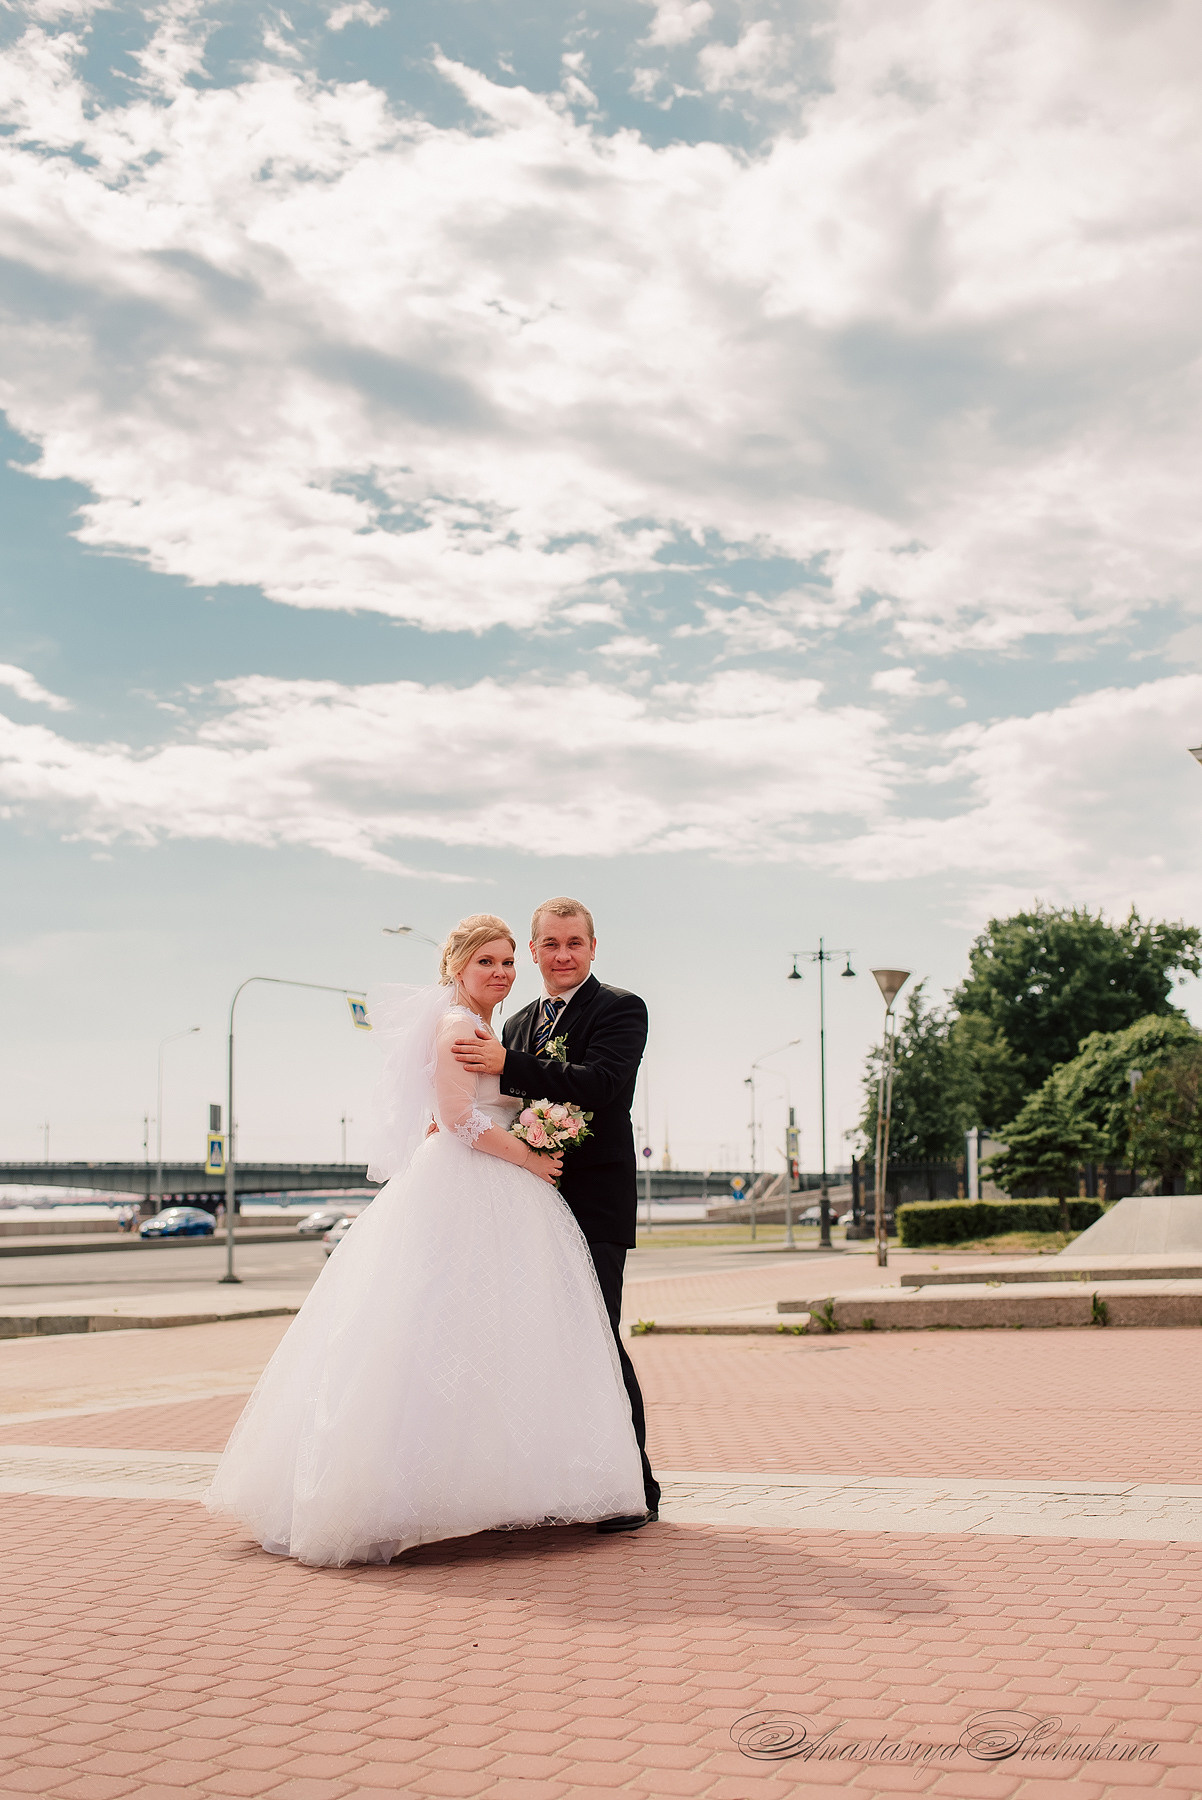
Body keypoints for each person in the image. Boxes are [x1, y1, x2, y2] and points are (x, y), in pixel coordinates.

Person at [204, 913, 644, 1567]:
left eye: (504, 961)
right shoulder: (460, 1026)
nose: (500, 972)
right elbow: (458, 1117)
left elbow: (499, 1100)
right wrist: (527, 1155)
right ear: (458, 969)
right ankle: (407, 1489)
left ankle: (500, 1483)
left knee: (497, 1335)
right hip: (478, 1183)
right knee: (440, 1330)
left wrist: (527, 1136)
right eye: (486, 962)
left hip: (500, 1187)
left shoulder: (500, 1027)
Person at [452, 896, 659, 1531]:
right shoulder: (514, 1023)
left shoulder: (621, 1009)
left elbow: (603, 1086)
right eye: (550, 944)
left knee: (598, 1339)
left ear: (593, 948)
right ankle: (558, 1484)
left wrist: (507, 1065)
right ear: (536, 951)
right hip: (525, 1208)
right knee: (538, 1347)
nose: (562, 955)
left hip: (592, 1205)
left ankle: (637, 1488)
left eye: (574, 943)